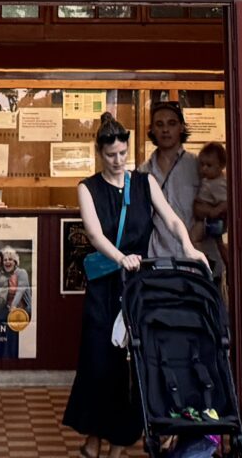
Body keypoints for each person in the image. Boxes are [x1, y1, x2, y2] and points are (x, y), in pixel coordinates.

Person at [66, 113, 199, 458]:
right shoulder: (88, 188)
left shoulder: (144, 183)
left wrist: (187, 245)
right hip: (105, 286)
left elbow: (170, 217)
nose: (118, 161)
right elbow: (95, 234)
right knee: (99, 361)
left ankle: (118, 442)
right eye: (111, 155)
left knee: (131, 363)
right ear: (99, 153)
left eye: (123, 153)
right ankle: (96, 437)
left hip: (137, 286)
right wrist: (120, 256)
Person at [143, 102, 203, 272]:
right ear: (152, 129)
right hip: (157, 260)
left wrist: (203, 225)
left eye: (172, 123)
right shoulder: (142, 172)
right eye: (159, 124)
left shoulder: (197, 166)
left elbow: (219, 204)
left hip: (195, 260)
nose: (165, 130)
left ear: (182, 128)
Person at [191, 141, 230, 287]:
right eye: (202, 165)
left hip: (211, 221)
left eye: (209, 165)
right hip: (207, 219)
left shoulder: (219, 183)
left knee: (193, 236)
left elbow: (227, 202)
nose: (204, 169)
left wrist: (214, 211)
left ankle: (204, 259)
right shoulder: (208, 180)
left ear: (220, 166)